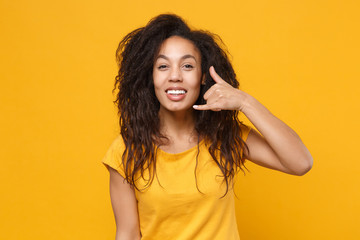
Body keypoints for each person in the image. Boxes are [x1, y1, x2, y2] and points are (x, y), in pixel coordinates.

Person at [102, 14, 313, 240]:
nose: (175, 76)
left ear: (203, 77)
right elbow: (127, 233)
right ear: (151, 77)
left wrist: (245, 102)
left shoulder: (225, 135)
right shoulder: (126, 150)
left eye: (187, 66)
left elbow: (301, 162)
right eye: (163, 66)